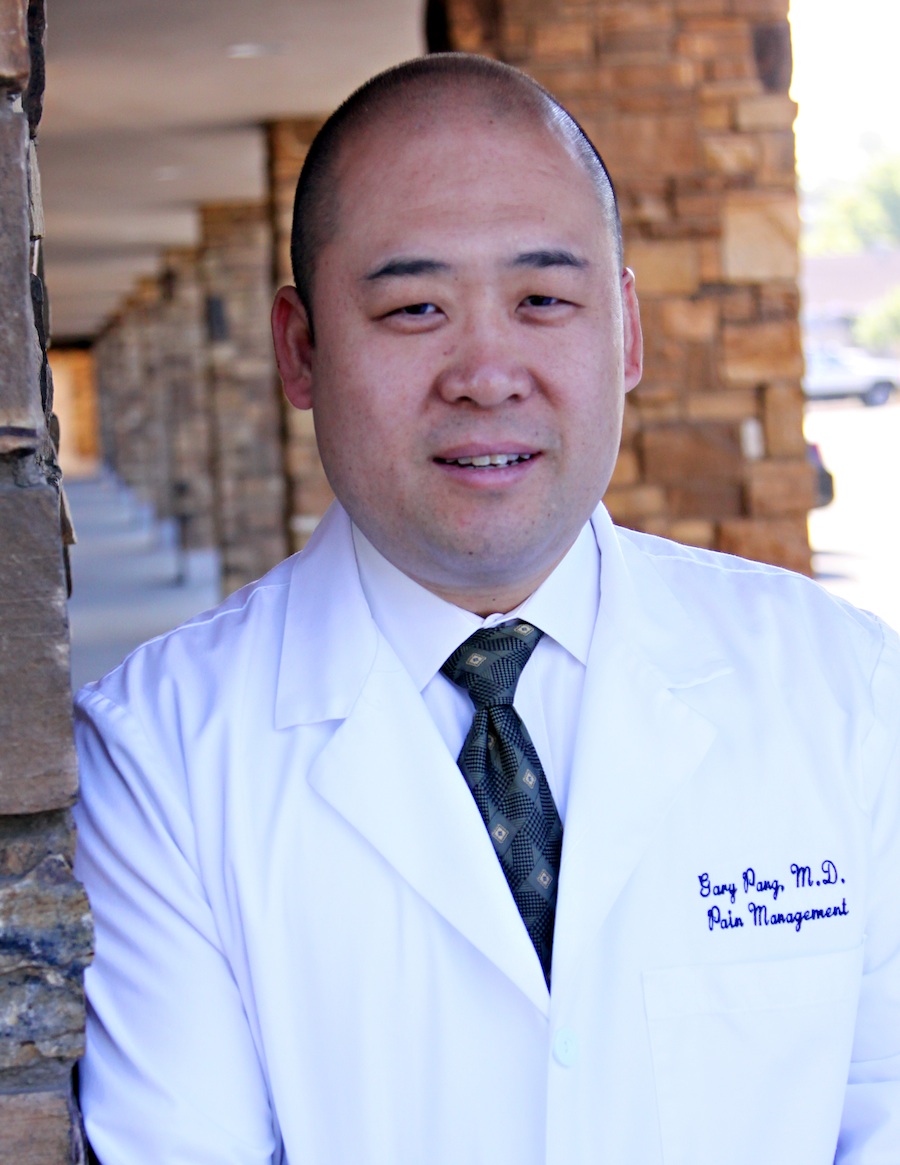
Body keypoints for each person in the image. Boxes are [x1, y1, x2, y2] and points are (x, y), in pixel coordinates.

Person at [73, 54, 899, 1165]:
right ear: (301, 349)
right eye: (415, 308)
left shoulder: (842, 687)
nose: (487, 371)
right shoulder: (160, 754)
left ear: (627, 333)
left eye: (544, 301)